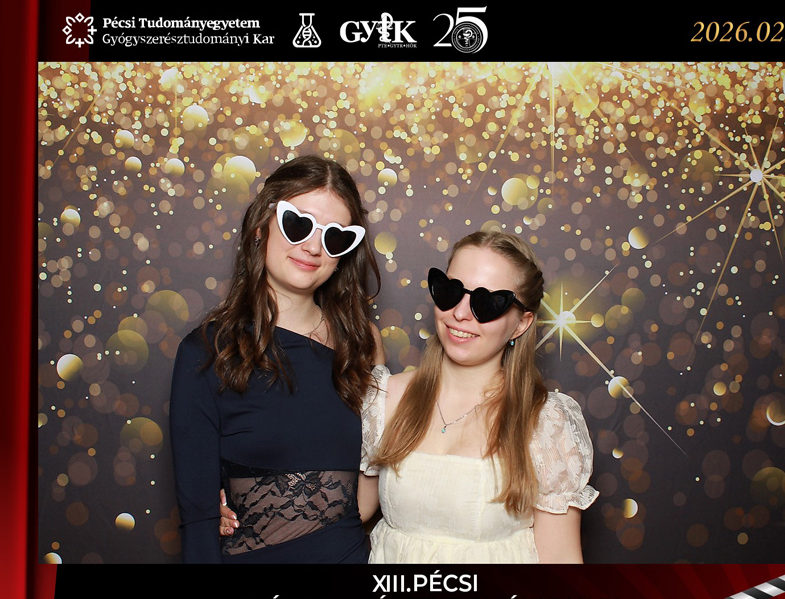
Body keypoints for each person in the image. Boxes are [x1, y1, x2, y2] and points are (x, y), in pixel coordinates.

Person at [170, 155, 382, 564]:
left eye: (335, 237)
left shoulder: (363, 344)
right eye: (298, 224)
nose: (314, 247)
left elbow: (368, 491)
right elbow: (198, 524)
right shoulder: (206, 352)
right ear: (261, 226)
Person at [361, 231, 597, 563]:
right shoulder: (385, 398)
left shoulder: (545, 422)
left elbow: (560, 558)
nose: (460, 313)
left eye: (486, 302)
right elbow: (345, 515)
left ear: (521, 323)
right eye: (451, 291)